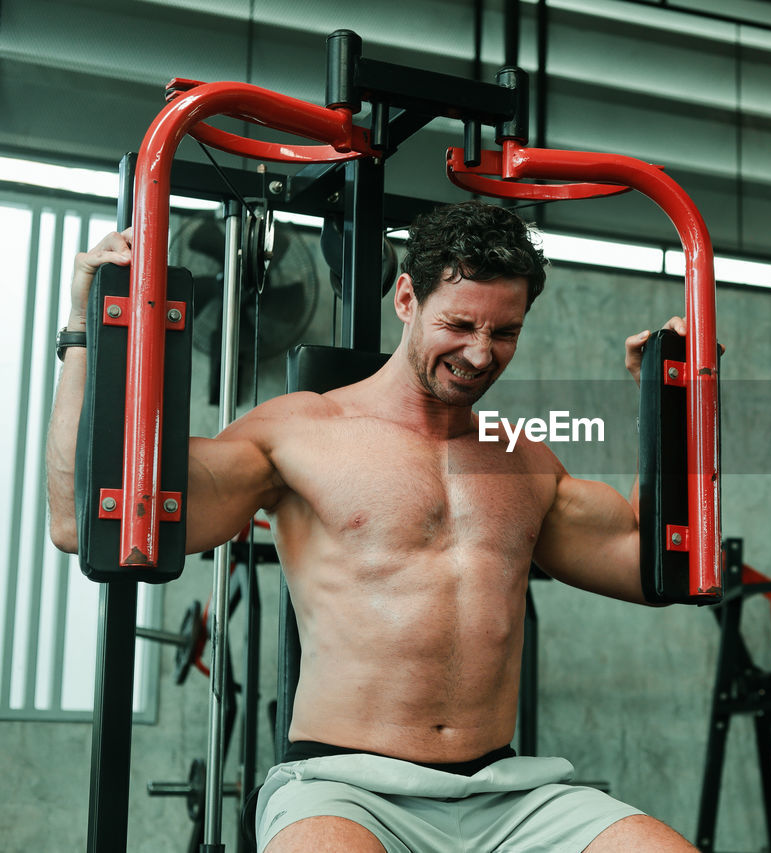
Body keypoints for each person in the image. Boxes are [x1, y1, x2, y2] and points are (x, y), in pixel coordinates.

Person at [46, 201, 698, 852]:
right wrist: (83, 331)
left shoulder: (524, 462)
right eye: (460, 323)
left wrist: (671, 401)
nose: (479, 353)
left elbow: (650, 564)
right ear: (407, 298)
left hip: (508, 794)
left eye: (504, 332)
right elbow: (81, 517)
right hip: (345, 787)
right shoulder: (300, 435)